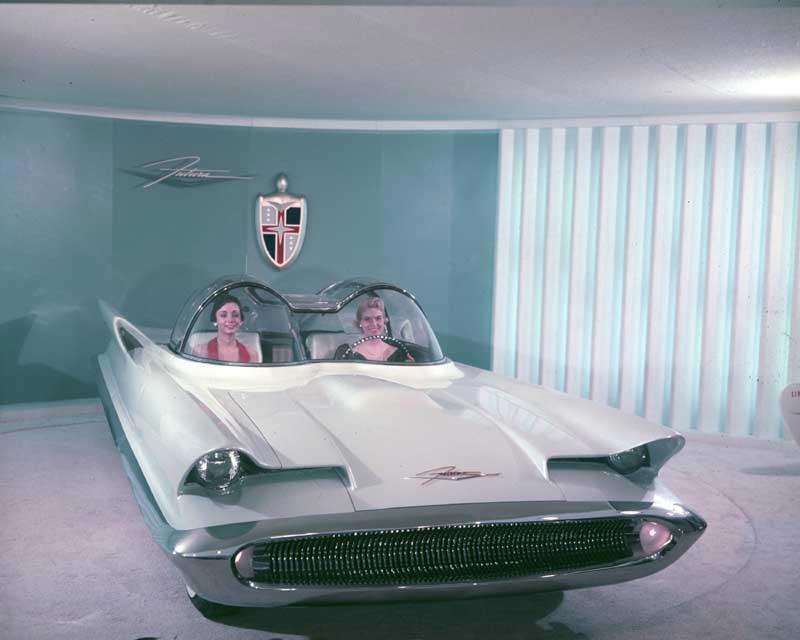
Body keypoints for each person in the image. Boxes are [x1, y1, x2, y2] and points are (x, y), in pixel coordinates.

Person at [334, 296, 413, 362]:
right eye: (367, 319)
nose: (374, 324)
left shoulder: (398, 353)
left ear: (384, 321)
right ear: (360, 323)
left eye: (378, 318)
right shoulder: (347, 353)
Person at [192, 294, 253, 363]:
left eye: (235, 315)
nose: (230, 320)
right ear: (215, 320)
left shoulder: (252, 354)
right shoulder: (200, 352)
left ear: (241, 320)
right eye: (223, 315)